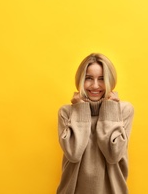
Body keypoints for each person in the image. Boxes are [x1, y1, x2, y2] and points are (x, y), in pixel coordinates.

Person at [57, 53, 134, 194]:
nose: (95, 85)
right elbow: (74, 153)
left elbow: (113, 154)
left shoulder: (124, 110)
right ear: (80, 80)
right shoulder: (67, 112)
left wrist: (110, 107)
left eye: (102, 79)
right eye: (88, 78)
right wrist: (80, 109)